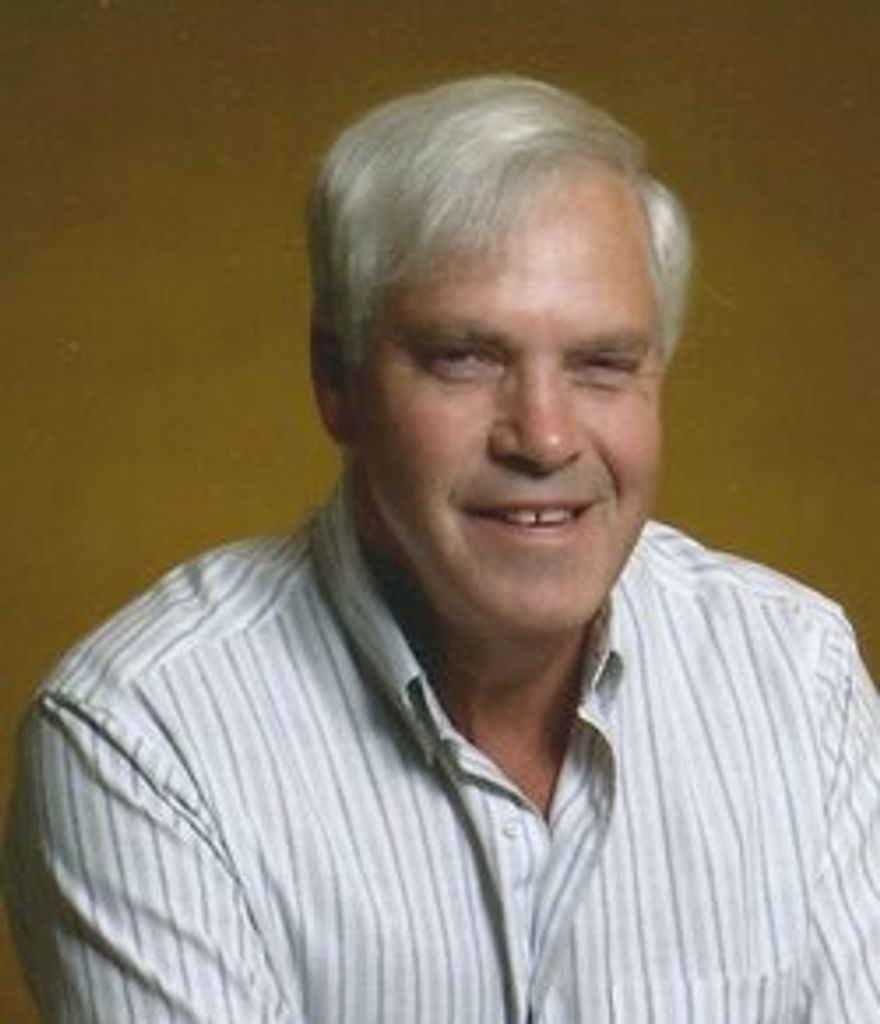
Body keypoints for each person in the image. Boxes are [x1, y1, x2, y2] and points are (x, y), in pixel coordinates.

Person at [4, 74, 878, 1024]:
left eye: (602, 364)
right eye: (465, 357)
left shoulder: (798, 675)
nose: (544, 438)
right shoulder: (142, 739)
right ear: (336, 380)